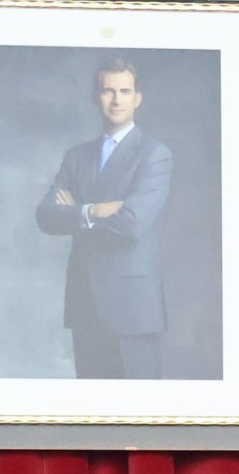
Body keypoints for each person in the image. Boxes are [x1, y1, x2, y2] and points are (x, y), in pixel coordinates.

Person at [36, 56, 171, 381]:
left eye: (124, 91)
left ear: (137, 98)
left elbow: (131, 224)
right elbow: (45, 215)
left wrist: (75, 214)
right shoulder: (76, 156)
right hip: (85, 304)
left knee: (140, 407)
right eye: (108, 90)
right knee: (91, 407)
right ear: (96, 97)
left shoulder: (154, 154)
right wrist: (93, 210)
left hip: (134, 310)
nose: (116, 99)